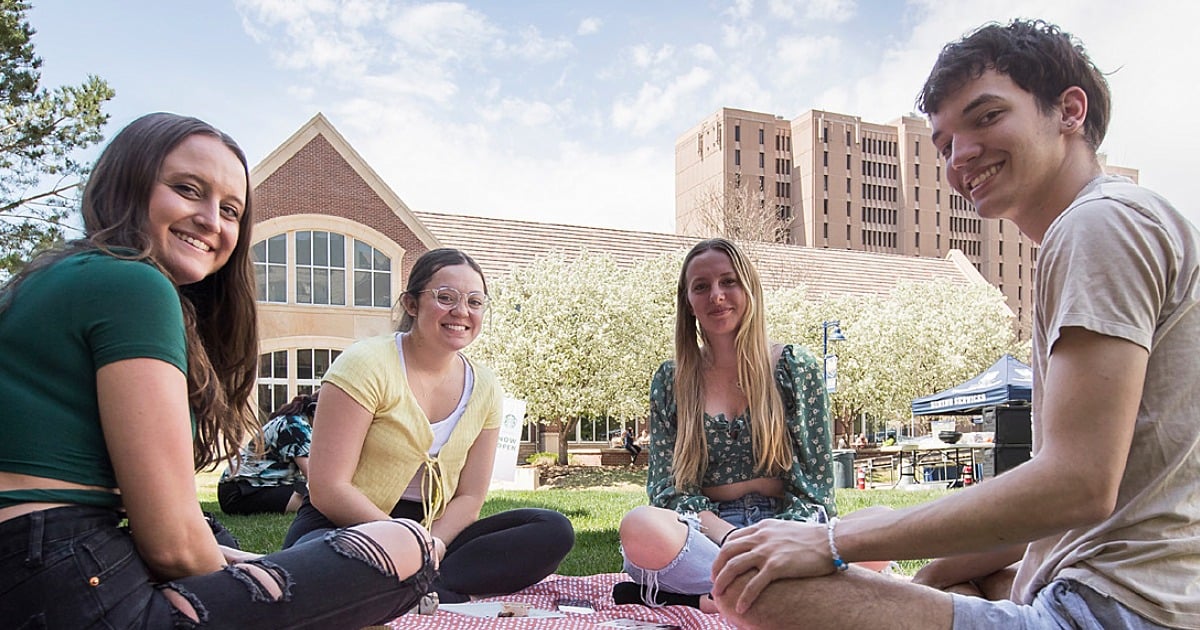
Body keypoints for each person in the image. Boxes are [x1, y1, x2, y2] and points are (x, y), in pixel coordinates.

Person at [712, 19, 1200, 630]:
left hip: (1114, 612)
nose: (961, 155)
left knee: (756, 589)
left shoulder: (1097, 225)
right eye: (943, 144)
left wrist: (833, 540)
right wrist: (932, 571)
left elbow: (1078, 482)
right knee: (955, 574)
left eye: (987, 117)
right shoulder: (1113, 224)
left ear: (1069, 111)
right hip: (1113, 588)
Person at [0, 113, 435, 628]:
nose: (212, 220)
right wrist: (273, 586)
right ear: (126, 183)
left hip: (39, 568)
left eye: (231, 210)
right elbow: (171, 546)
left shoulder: (59, 278)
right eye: (187, 189)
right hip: (62, 579)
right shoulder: (133, 284)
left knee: (219, 538)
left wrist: (255, 570)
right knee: (406, 545)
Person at [282, 248, 575, 605]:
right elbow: (328, 488)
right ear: (411, 304)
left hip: (437, 536)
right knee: (321, 558)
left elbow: (470, 497)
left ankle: (410, 587)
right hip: (346, 525)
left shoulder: (485, 387)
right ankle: (427, 588)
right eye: (445, 297)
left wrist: (432, 544)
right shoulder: (364, 365)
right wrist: (406, 542)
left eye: (475, 301)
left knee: (551, 530)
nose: (462, 312)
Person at [614, 238, 836, 613]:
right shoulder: (672, 379)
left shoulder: (796, 367)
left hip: (788, 529)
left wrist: (769, 541)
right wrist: (729, 535)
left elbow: (816, 489)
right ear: (688, 301)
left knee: (876, 526)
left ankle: (712, 599)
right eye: (701, 286)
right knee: (640, 526)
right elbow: (667, 490)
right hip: (706, 535)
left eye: (728, 281)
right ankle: (777, 595)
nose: (716, 295)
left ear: (749, 288)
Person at [218, 391, 316, 515]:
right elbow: (313, 477)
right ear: (314, 410)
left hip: (247, 486)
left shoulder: (296, 422)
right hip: (241, 490)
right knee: (314, 502)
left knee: (313, 497)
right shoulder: (295, 426)